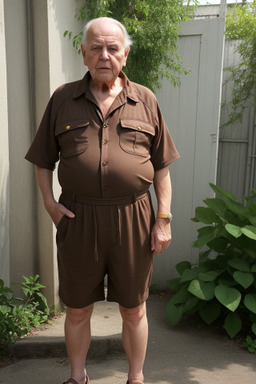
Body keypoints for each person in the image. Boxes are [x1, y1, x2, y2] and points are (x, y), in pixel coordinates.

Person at [25, 17, 179, 384]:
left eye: (113, 48)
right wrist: (50, 205)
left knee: (134, 309)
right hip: (78, 220)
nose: (104, 55)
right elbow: (43, 160)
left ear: (125, 54)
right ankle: (77, 377)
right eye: (96, 47)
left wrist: (163, 219)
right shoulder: (62, 99)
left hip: (134, 218)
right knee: (77, 310)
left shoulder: (146, 100)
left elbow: (162, 169)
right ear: (83, 53)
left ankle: (136, 378)